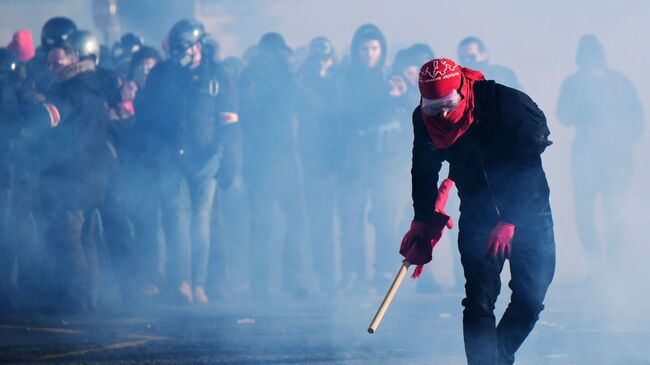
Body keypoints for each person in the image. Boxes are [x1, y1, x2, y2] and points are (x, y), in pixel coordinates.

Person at [400, 57, 555, 365]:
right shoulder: (423, 119)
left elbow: (528, 164)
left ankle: (497, 357)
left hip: (529, 211)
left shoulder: (502, 103)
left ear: (462, 89)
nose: (442, 114)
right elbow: (424, 168)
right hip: (478, 212)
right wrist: (421, 219)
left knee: (530, 298)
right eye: (433, 108)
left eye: (447, 103)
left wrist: (509, 220)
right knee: (479, 301)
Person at [140, 19, 241, 304]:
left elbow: (231, 122)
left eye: (183, 47)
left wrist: (231, 161)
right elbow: (149, 115)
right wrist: (152, 153)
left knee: (201, 221)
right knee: (174, 220)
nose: (178, 53)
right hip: (171, 157)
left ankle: (199, 284)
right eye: (175, 48)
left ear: (198, 46)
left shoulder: (218, 75)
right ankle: (181, 282)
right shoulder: (162, 74)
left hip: (206, 159)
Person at [556, 34, 644, 272]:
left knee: (612, 213)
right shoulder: (576, 83)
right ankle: (601, 271)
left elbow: (638, 119)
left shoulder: (617, 81)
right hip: (591, 158)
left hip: (612, 158)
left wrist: (623, 143)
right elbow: (564, 115)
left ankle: (609, 272)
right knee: (595, 214)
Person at [239, 32, 308, 299]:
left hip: (284, 157)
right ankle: (262, 284)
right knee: (263, 223)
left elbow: (307, 105)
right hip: (260, 158)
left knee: (291, 222)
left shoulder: (284, 78)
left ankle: (291, 280)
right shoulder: (250, 78)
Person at [457, 36, 522, 90]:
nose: (467, 61)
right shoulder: (458, 81)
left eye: (472, 57)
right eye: (463, 58)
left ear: (484, 55)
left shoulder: (504, 75)